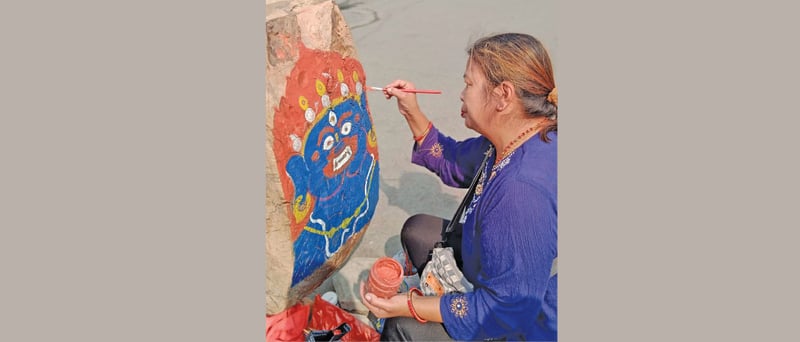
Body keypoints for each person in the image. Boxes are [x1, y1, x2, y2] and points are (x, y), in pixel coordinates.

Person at [359, 33, 558, 341]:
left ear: (503, 95)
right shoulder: (518, 137)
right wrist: (410, 109)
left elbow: (507, 309)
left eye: (469, 84)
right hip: (506, 279)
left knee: (402, 328)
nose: (462, 95)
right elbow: (452, 160)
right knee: (418, 230)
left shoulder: (520, 192)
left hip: (522, 322)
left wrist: (409, 304)